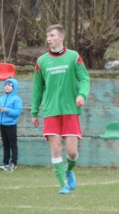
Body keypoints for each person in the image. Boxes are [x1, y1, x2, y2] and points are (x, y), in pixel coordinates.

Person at [31, 24, 90, 194]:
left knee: (72, 152)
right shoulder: (41, 61)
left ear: (61, 37)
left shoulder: (73, 57)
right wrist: (35, 112)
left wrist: (82, 95)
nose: (49, 39)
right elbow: (37, 89)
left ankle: (69, 170)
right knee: (56, 148)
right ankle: (63, 184)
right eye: (47, 36)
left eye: (52, 35)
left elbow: (84, 79)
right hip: (50, 111)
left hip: (70, 110)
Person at [0, 78, 23, 172]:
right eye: (6, 85)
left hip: (11, 125)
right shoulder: (1, 98)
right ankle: (5, 163)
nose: (7, 87)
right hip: (2, 125)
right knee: (5, 145)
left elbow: (18, 112)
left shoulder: (17, 99)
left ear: (14, 87)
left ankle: (13, 163)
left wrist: (7, 110)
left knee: (13, 144)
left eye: (9, 85)